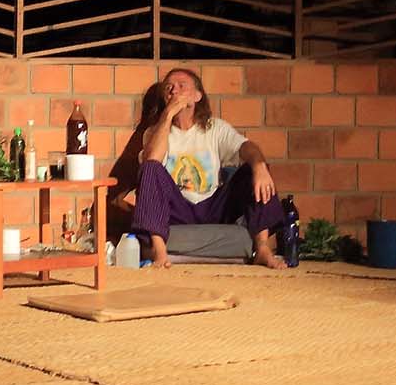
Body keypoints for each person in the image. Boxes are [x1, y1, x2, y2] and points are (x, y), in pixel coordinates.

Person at [121, 66, 290, 270]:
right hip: (176, 208)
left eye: (181, 86)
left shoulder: (214, 128)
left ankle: (262, 249)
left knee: (253, 168)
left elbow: (247, 147)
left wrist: (259, 166)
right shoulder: (155, 133)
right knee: (150, 168)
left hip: (213, 206)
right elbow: (151, 161)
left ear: (197, 96)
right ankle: (159, 251)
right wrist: (168, 115)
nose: (174, 91)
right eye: (169, 88)